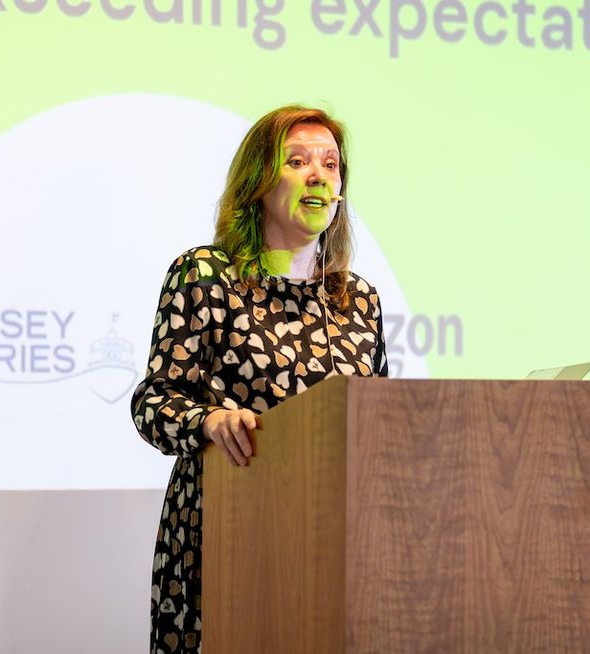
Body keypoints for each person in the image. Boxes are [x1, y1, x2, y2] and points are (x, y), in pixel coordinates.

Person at [130, 105, 388, 653]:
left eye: (331, 164)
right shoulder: (205, 275)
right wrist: (210, 419)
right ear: (260, 182)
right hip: (226, 528)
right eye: (297, 161)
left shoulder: (357, 298)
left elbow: (377, 418)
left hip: (329, 545)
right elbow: (154, 403)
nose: (319, 175)